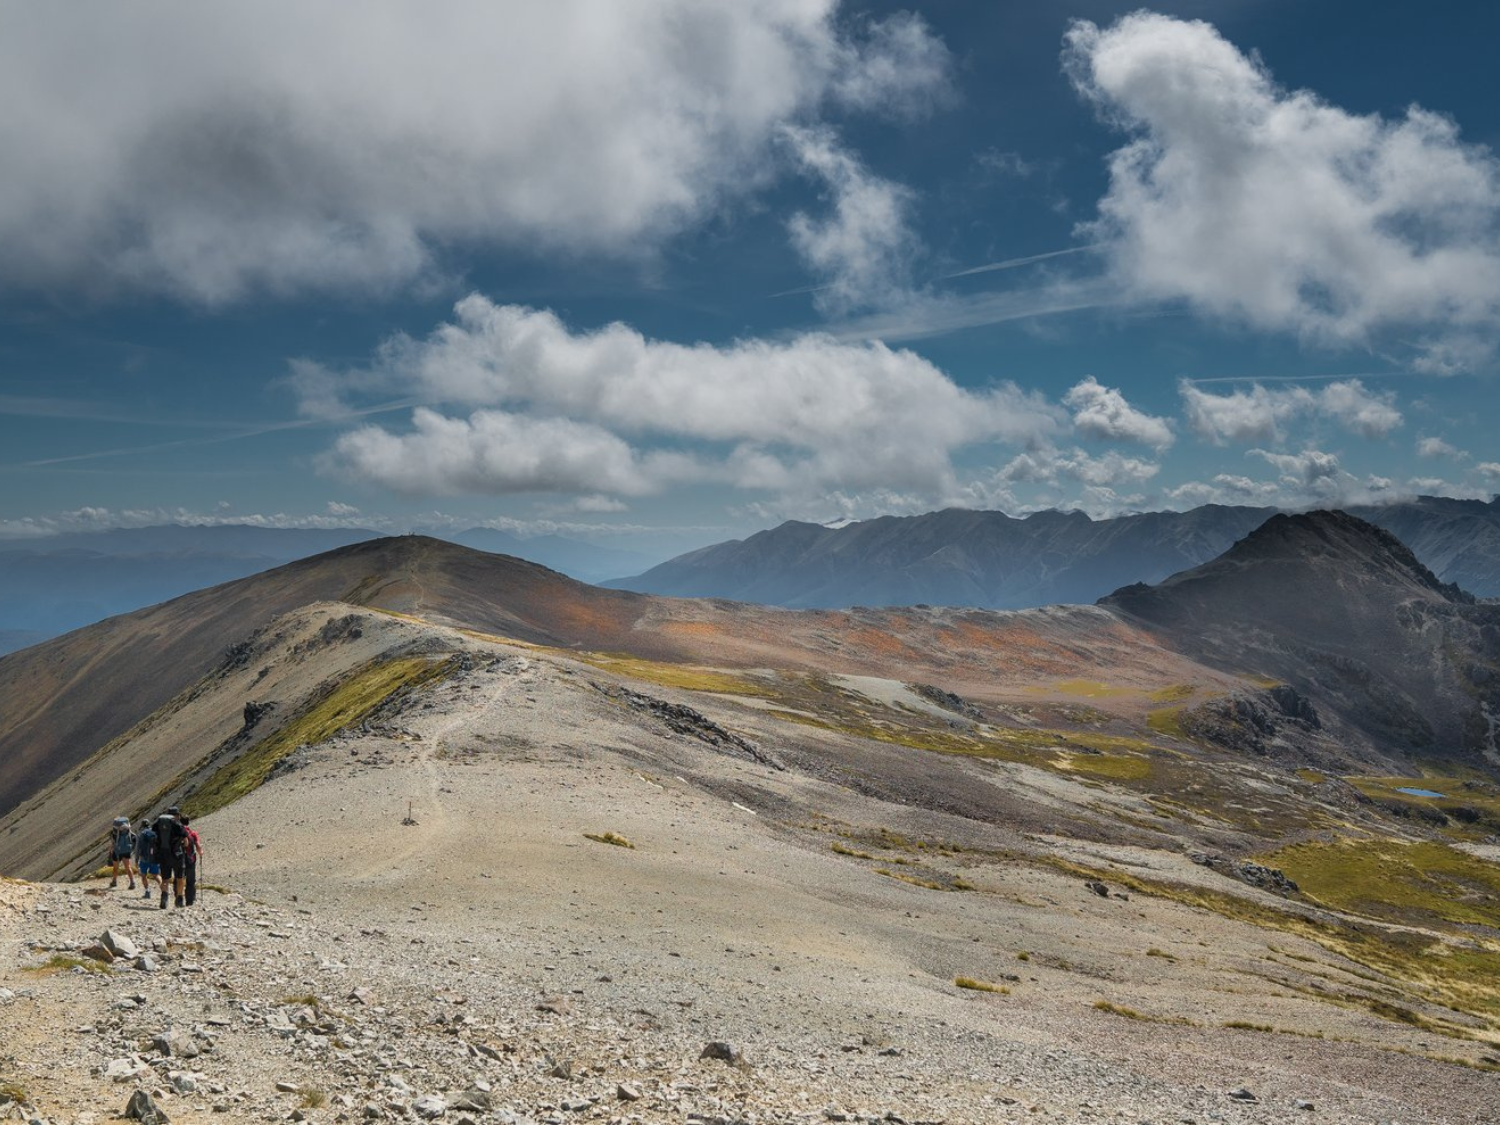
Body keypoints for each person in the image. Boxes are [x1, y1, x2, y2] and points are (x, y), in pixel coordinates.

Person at [154, 806, 187, 909]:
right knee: (180, 878)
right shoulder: (179, 825)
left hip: (163, 855)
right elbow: (186, 842)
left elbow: (154, 839)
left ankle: (164, 898)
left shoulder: (157, 824)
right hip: (177, 855)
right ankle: (179, 899)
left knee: (165, 879)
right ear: (177, 815)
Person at [107, 817, 136, 889]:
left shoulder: (114, 833)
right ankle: (132, 882)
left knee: (115, 868)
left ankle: (114, 881)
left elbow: (112, 844)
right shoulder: (128, 832)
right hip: (126, 850)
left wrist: (110, 852)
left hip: (117, 852)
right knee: (128, 867)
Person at [180, 815, 203, 906]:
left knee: (180, 878)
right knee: (190, 880)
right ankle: (190, 900)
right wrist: (201, 852)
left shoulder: (177, 833)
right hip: (190, 859)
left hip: (179, 859)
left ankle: (179, 898)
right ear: (188, 822)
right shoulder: (192, 833)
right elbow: (198, 846)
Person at [135, 819, 159, 899]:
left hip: (143, 859)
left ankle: (147, 892)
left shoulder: (141, 834)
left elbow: (137, 848)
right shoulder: (155, 833)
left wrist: (136, 860)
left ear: (142, 826)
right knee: (156, 876)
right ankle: (164, 891)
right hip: (154, 858)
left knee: (143, 876)